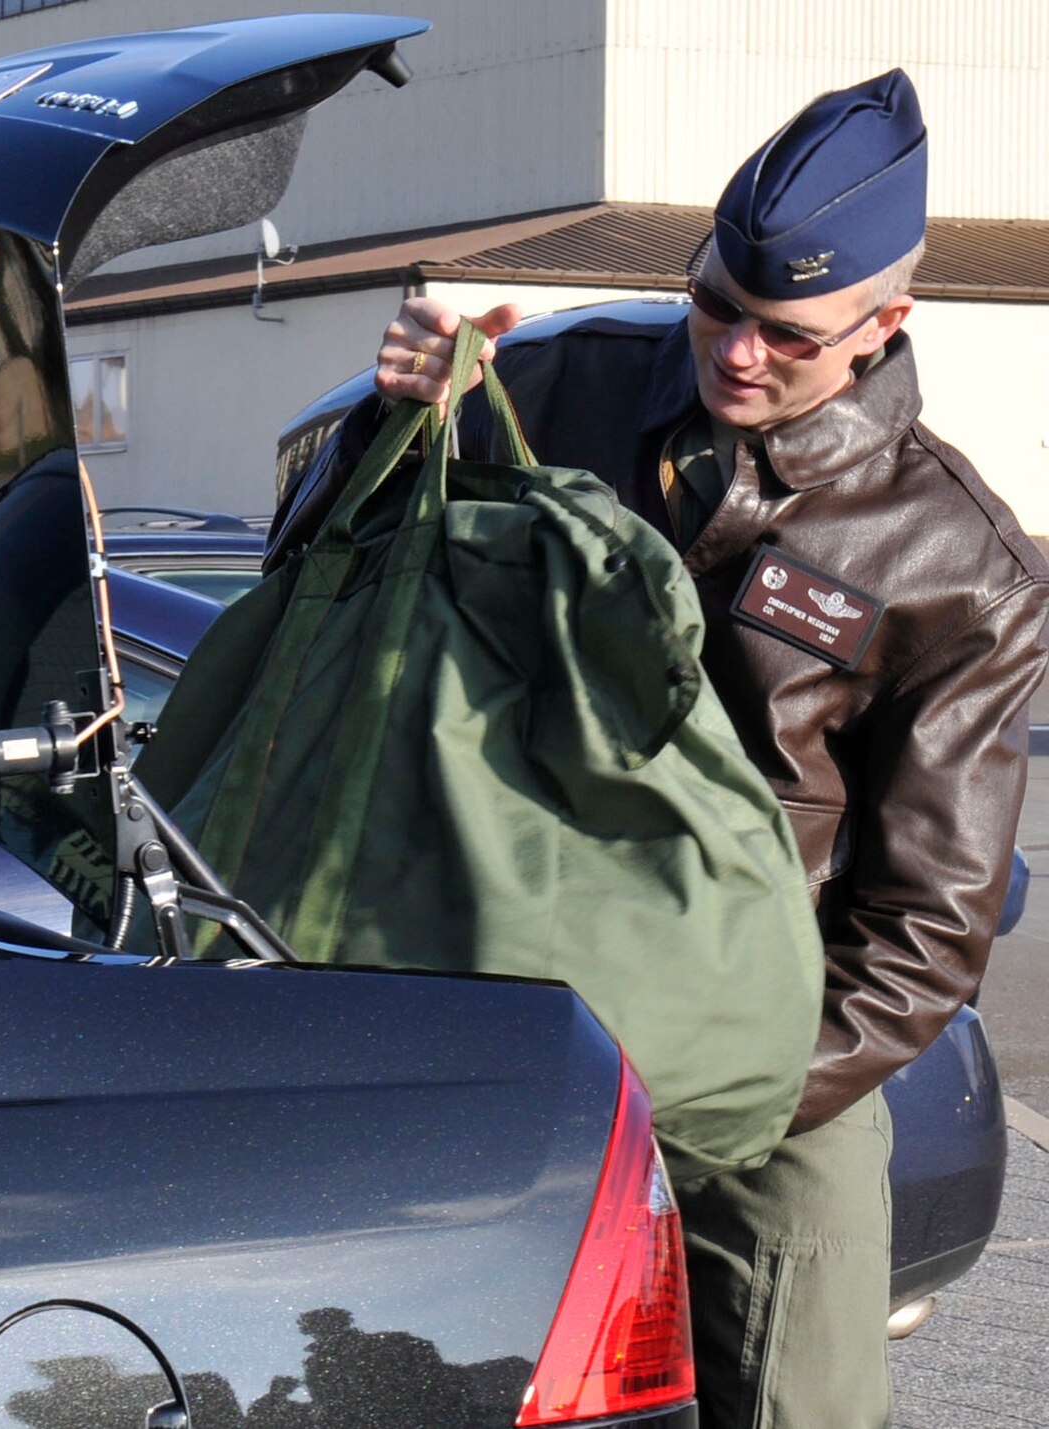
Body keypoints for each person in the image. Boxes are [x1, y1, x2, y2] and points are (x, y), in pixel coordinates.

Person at [272, 70, 1049, 1428]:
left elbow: (926, 929)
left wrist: (736, 1093)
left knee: (800, 1399)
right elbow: (328, 593)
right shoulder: (564, 383)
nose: (739, 353)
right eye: (717, 306)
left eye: (788, 337)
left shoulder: (959, 568)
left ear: (887, 325)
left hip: (762, 1077)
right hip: (506, 998)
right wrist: (384, 429)